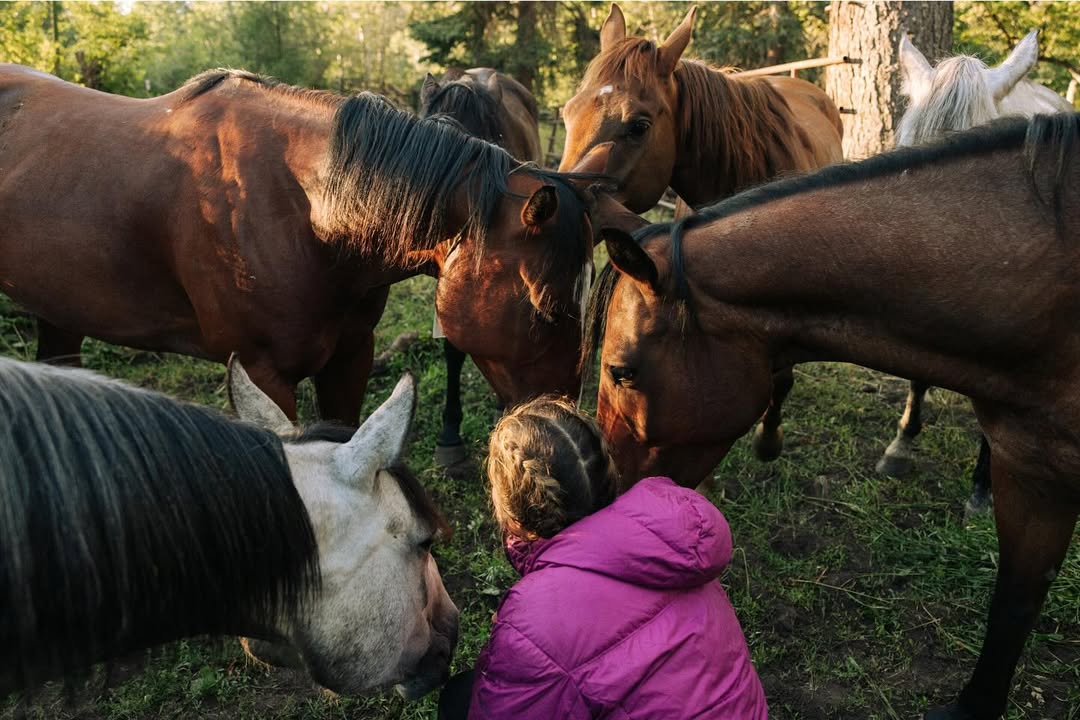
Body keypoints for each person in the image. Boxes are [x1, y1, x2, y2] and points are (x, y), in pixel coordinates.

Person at [440, 396, 768, 719]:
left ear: (511, 513)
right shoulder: (672, 535)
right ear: (607, 471)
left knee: (458, 698)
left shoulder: (533, 619)